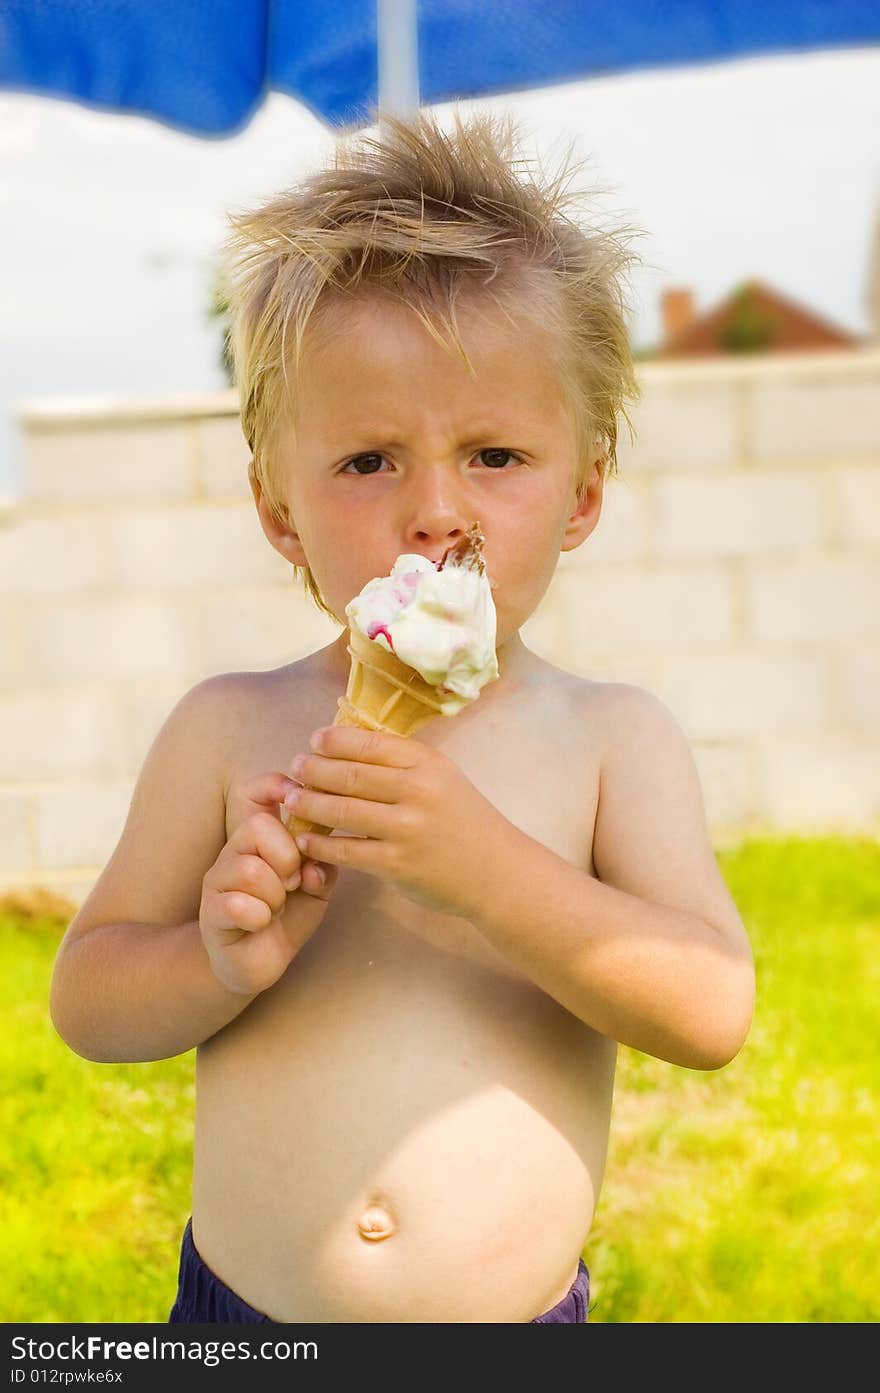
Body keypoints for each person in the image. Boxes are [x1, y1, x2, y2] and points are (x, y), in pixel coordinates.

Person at [49, 108, 755, 1324]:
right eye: (368, 461)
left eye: (494, 455)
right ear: (281, 513)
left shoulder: (608, 739)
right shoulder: (228, 728)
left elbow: (707, 1008)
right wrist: (217, 962)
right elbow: (90, 1002)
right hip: (240, 1319)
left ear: (582, 492)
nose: (436, 511)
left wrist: (487, 872)